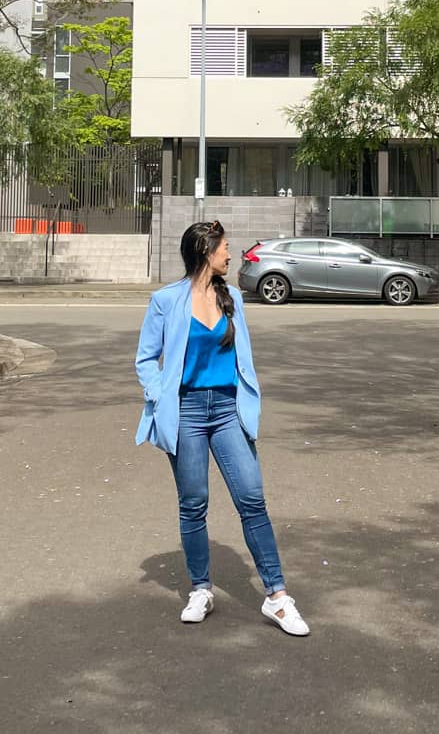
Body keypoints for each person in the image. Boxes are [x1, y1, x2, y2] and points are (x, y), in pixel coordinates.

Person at [133, 219, 309, 636]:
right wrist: (160, 396)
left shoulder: (233, 299)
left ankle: (278, 598)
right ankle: (201, 588)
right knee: (193, 503)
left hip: (228, 409)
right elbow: (145, 359)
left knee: (252, 497)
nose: (231, 254)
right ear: (205, 252)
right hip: (187, 411)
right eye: (225, 247)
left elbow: (242, 357)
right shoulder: (166, 300)